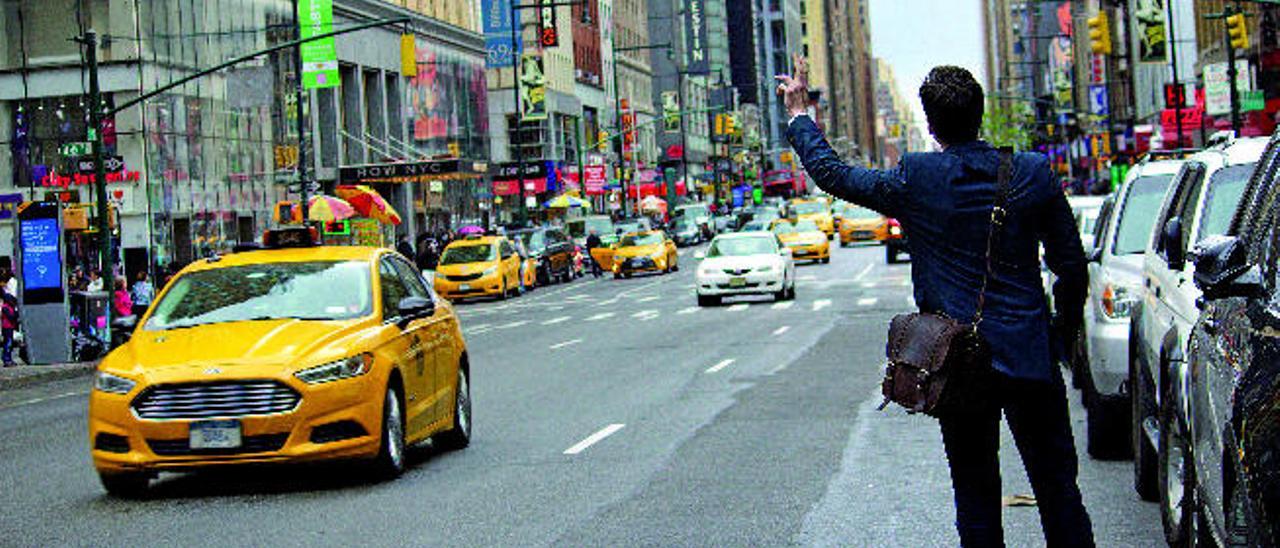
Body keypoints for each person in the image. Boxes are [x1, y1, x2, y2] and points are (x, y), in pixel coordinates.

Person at [778, 59, 1093, 546]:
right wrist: (1060, 336)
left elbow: (833, 175)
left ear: (929, 123)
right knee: (1058, 492)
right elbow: (1071, 268)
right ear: (982, 113)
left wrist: (801, 115)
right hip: (1031, 356)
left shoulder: (917, 177)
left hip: (958, 362)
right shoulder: (1034, 173)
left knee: (975, 497)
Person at [1, 290, 16, 367]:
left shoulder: (10, 307)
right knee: (8, 343)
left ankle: (9, 359)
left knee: (10, 344)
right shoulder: (5, 307)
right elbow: (11, 317)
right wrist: (16, 314)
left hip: (10, 327)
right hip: (7, 327)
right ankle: (6, 359)